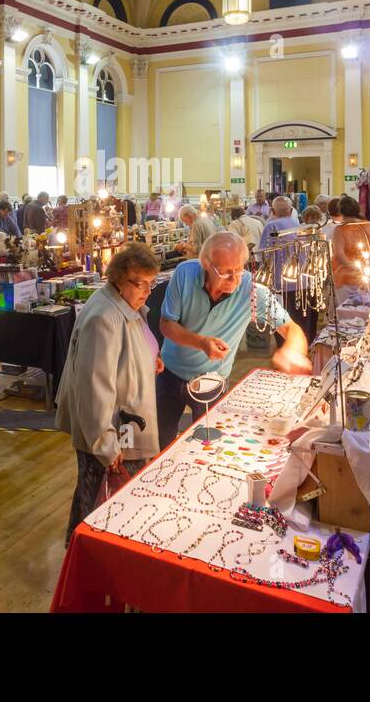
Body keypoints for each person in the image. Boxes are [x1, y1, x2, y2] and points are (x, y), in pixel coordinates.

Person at [157, 232, 311, 445]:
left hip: (213, 379)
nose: (234, 279)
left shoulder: (252, 290)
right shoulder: (185, 273)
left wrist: (292, 351)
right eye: (225, 272)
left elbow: (291, 329)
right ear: (205, 263)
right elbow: (166, 324)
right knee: (160, 440)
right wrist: (201, 342)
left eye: (239, 269)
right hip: (169, 373)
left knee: (209, 446)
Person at [56, 243, 163, 543]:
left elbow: (133, 343)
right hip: (110, 430)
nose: (146, 290)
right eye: (139, 283)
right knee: (97, 500)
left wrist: (150, 355)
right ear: (117, 277)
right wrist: (105, 443)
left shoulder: (124, 304)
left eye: (150, 284)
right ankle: (85, 559)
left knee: (101, 497)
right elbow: (94, 386)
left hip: (124, 423)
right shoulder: (104, 318)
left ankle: (88, 552)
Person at [331, 195, 370, 289]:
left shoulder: (340, 229)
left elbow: (339, 254)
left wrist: (357, 268)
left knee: (348, 304)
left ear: (340, 211)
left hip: (347, 278)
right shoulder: (368, 225)